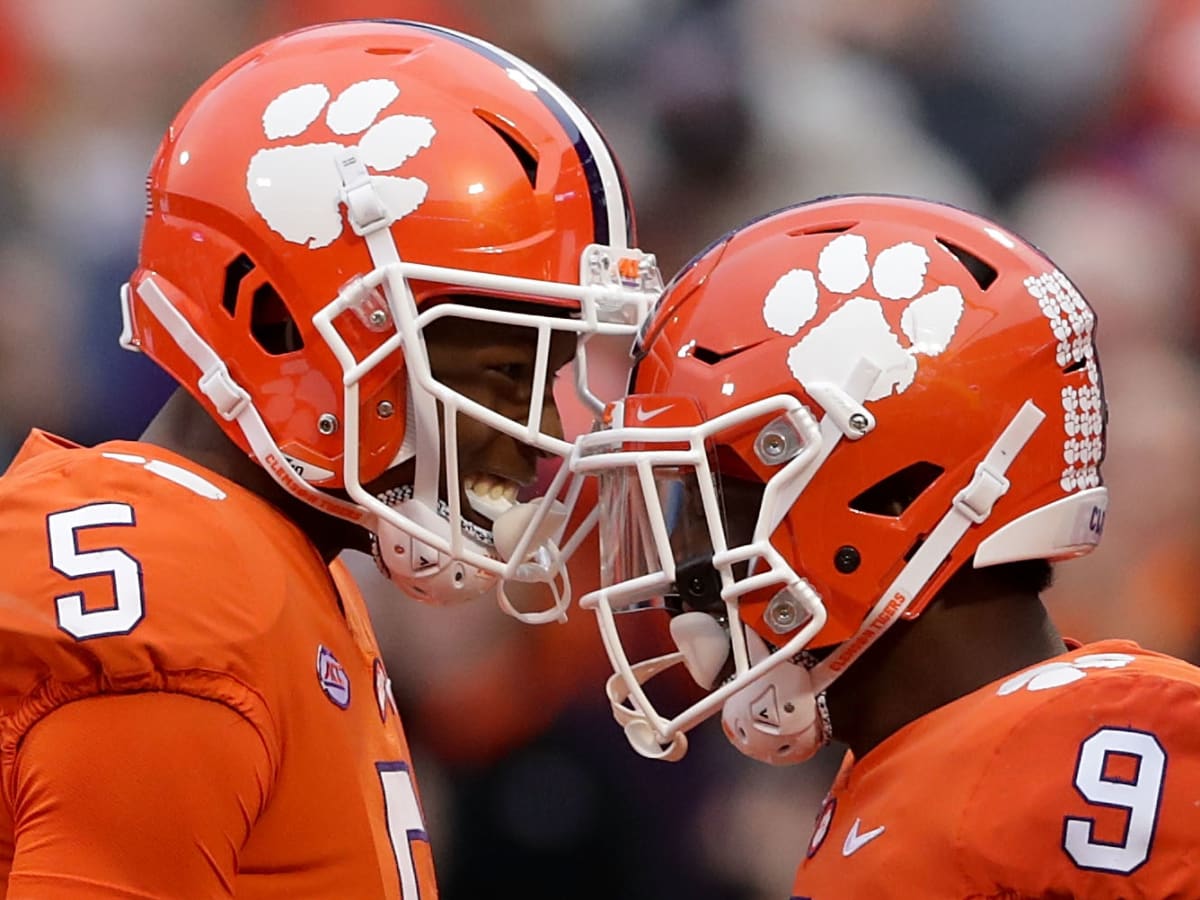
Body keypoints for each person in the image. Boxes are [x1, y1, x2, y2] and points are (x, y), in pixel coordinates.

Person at [0, 19, 660, 898]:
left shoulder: (270, 562)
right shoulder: (185, 585)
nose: (540, 429)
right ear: (284, 321)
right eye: (509, 371)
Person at [571, 194, 1200, 896]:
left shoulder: (1100, 751)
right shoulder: (920, 758)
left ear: (892, 499)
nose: (686, 558)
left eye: (716, 496)